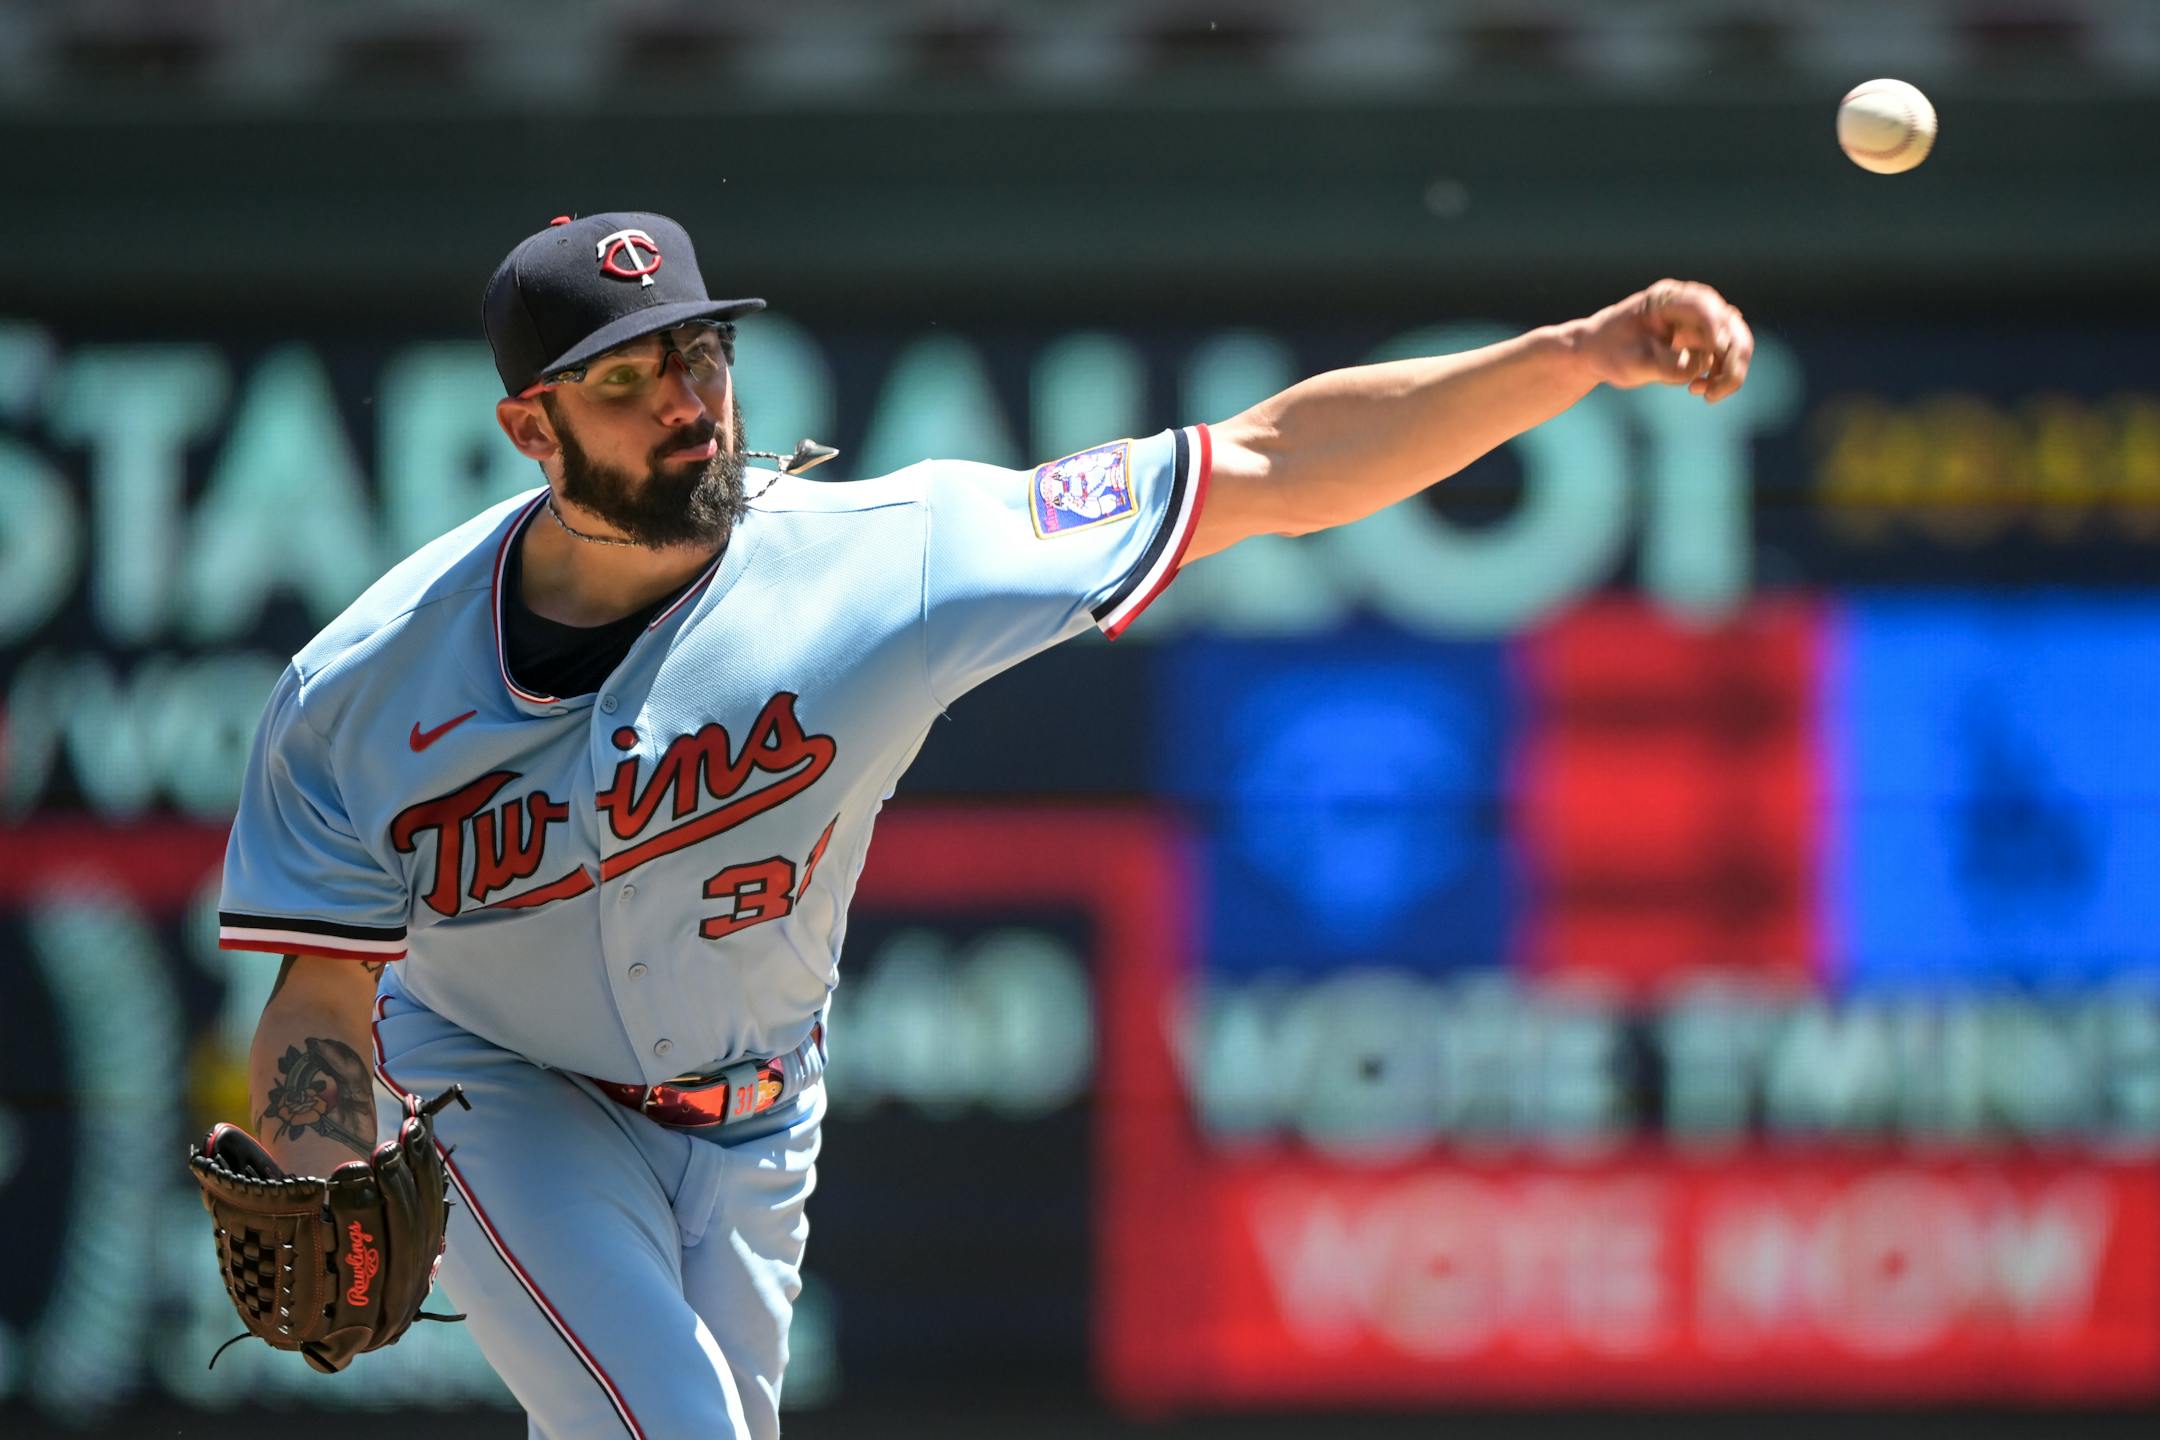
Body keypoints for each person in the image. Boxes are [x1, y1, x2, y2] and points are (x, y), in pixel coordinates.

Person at [212, 209, 1752, 1438]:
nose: (686, 407)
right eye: (626, 381)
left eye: (699, 358)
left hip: (757, 1113)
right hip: (502, 1087)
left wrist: (1575, 352)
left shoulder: (888, 562)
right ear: (530, 431)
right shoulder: (364, 684)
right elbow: (321, 1003)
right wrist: (316, 1145)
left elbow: (1269, 467)